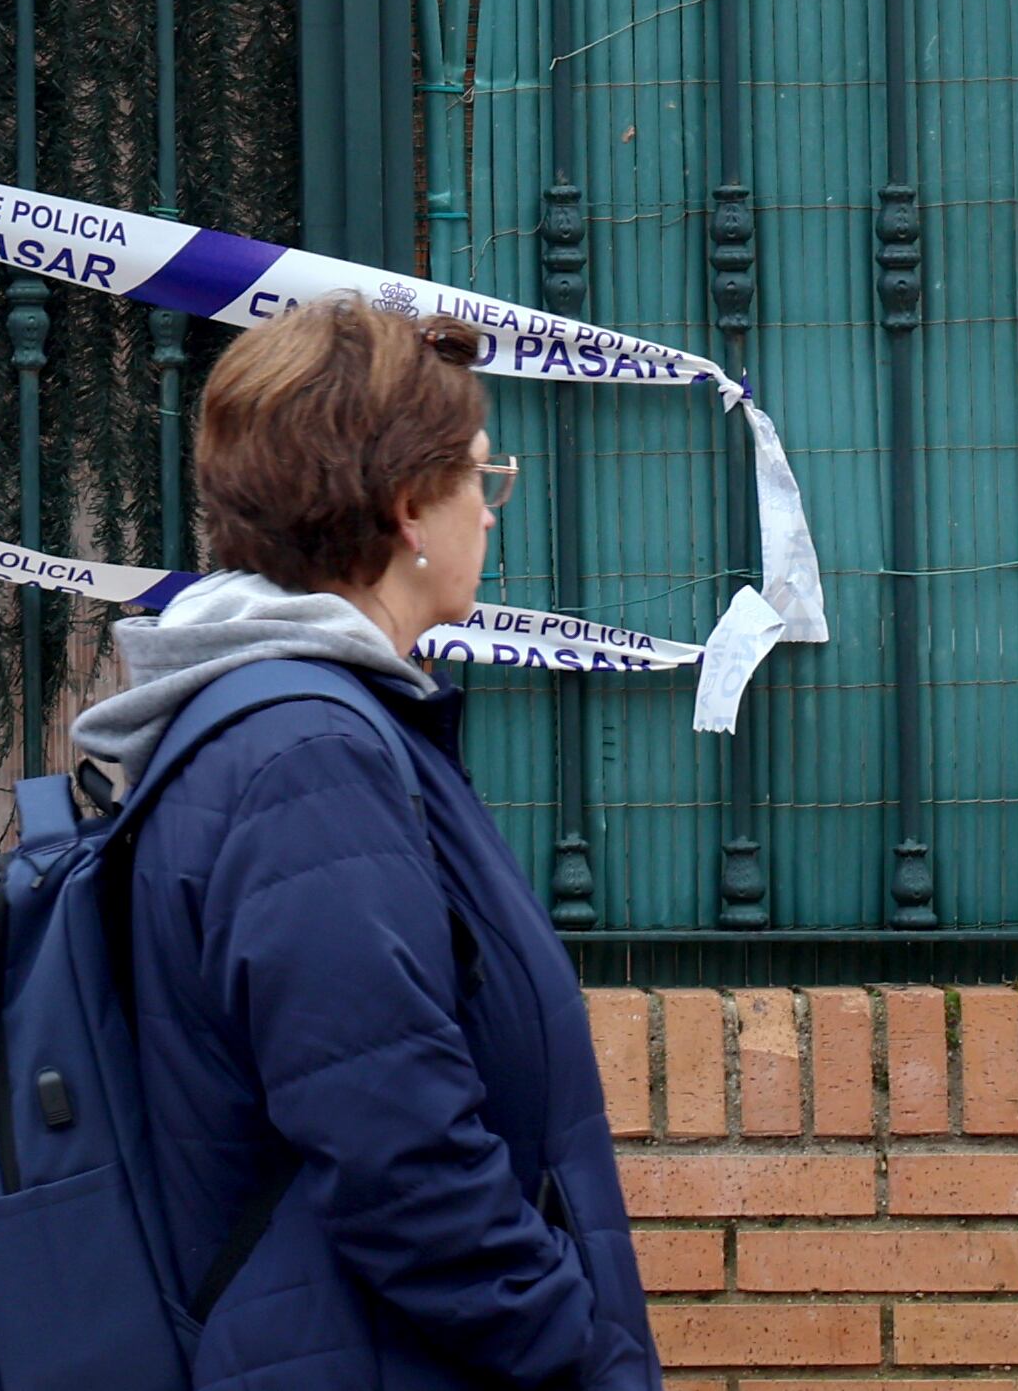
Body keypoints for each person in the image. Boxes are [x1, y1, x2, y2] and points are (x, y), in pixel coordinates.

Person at [69, 295, 660, 1391]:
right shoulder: (307, 760)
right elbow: (403, 1159)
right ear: (405, 510)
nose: (489, 516)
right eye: (477, 479)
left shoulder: (308, 730)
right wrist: (585, 1363)